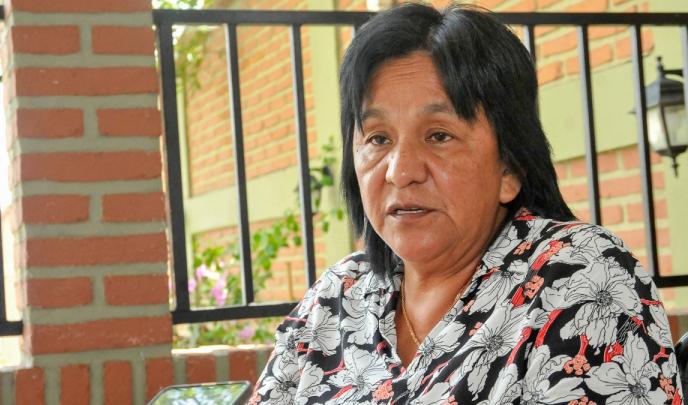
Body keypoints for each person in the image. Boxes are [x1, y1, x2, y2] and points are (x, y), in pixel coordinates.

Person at [250, 3, 683, 404]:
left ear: (510, 167)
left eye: (439, 135)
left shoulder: (579, 278)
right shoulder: (337, 295)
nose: (400, 171)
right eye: (378, 138)